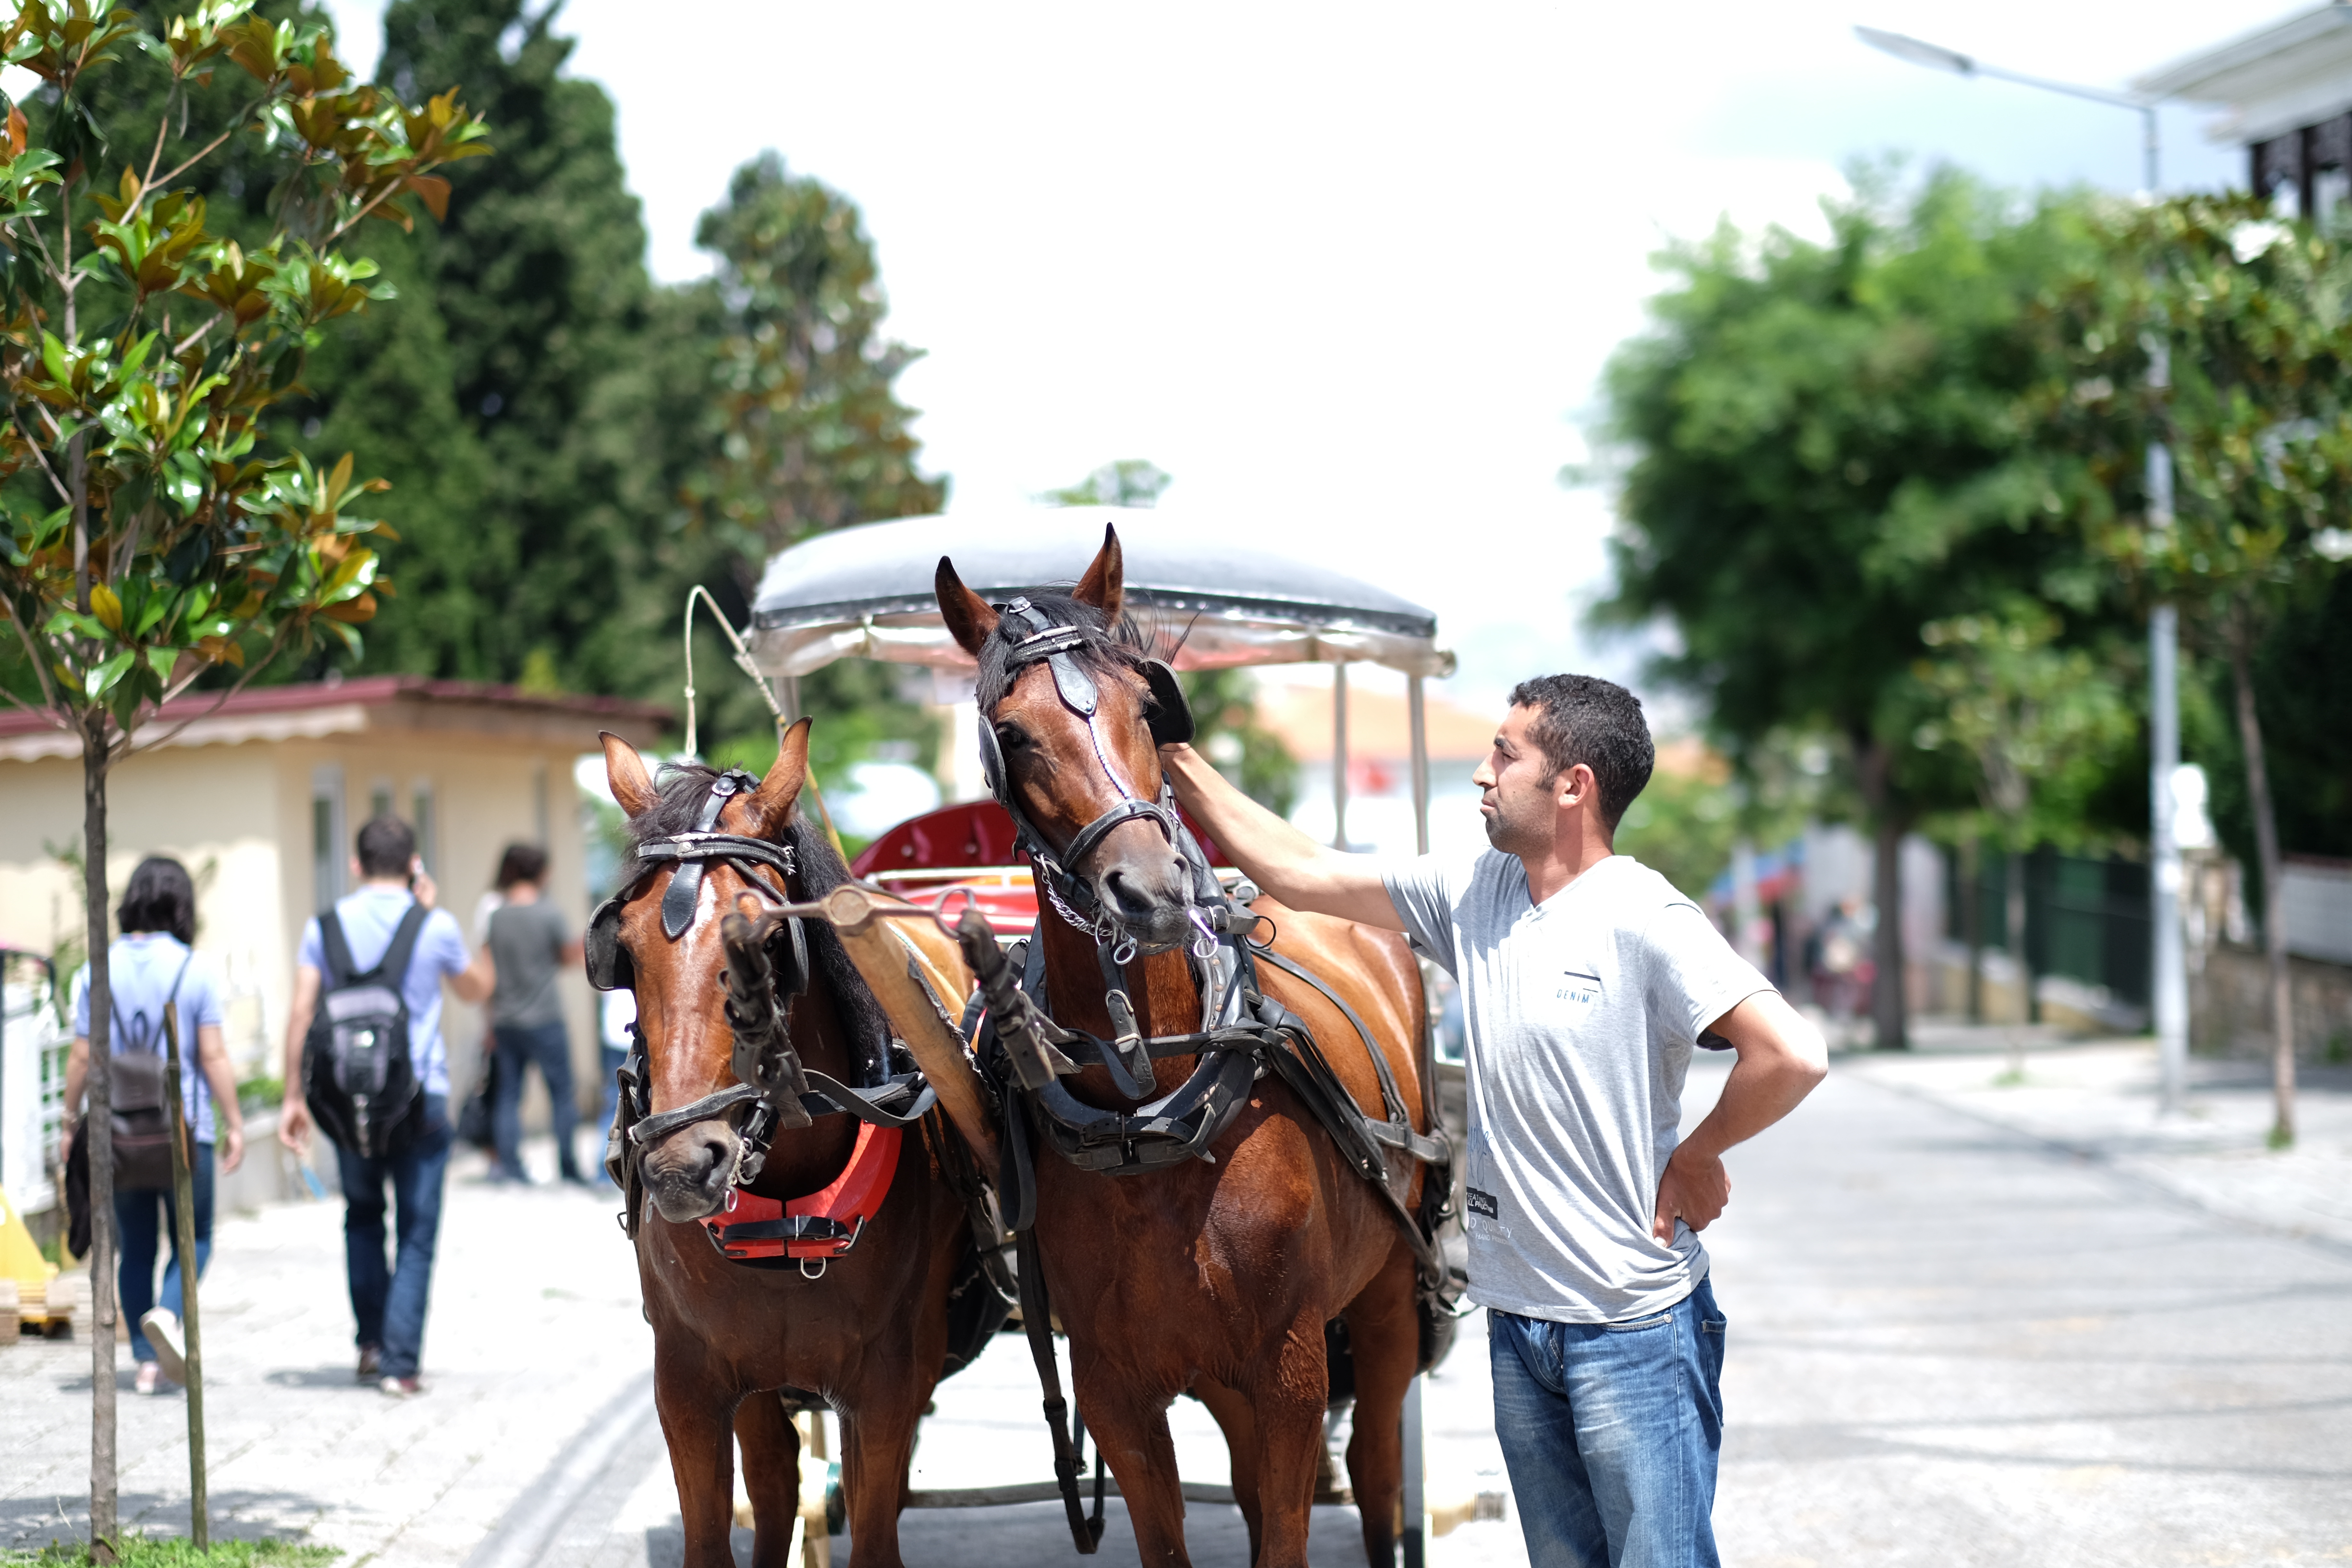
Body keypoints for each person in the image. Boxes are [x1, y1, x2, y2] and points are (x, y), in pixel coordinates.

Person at [1164, 672, 1828, 1568]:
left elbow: (1790, 1052)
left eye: (1504, 753)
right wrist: (1171, 752)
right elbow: (1301, 871)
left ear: (1573, 784)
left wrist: (1699, 1154)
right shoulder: (1475, 890)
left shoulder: (1644, 915)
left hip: (1631, 1328)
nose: (1482, 774)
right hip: (1519, 1322)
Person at [278, 816, 491, 1397]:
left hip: (349, 1101)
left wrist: (293, 1095)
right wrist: (431, 911)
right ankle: (401, 1366)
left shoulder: (323, 927)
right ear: (413, 862)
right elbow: (474, 990)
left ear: (356, 864)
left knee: (363, 1219)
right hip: (422, 1095)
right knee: (417, 1232)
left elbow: (301, 1013)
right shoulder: (436, 925)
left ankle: (370, 1345)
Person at [61, 857, 246, 1396]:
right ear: (183, 905)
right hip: (184, 1126)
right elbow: (211, 1056)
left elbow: (79, 1057)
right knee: (198, 1237)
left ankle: (145, 1361)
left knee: (135, 1244)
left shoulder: (97, 968)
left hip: (118, 1132)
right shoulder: (195, 968)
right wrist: (235, 1121)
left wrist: (71, 1122)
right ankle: (167, 1314)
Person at [483, 843, 588, 1186]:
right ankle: (568, 1167)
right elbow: (568, 957)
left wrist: (489, 1022)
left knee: (509, 1095)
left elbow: (488, 972)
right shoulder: (548, 913)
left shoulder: (497, 917)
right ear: (539, 872)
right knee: (561, 1094)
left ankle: (510, 1168)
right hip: (545, 1017)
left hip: (506, 1018)